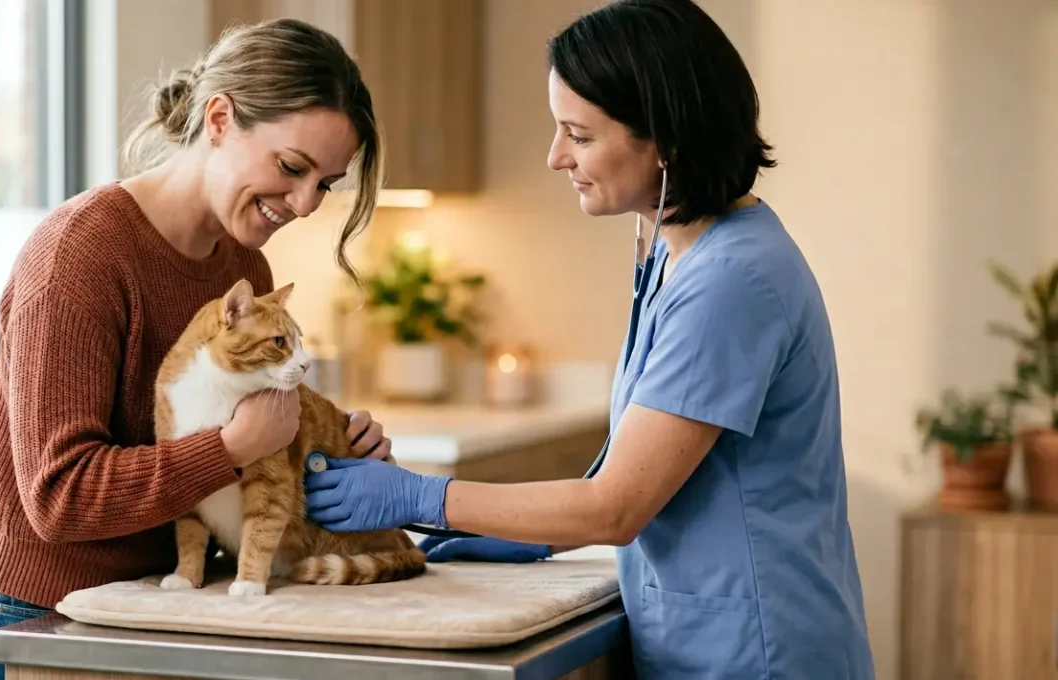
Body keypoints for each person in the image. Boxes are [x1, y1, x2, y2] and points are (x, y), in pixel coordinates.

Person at [302, 1, 876, 678]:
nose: (555, 157)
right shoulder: (674, 248)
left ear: (664, 138)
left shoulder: (732, 282)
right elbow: (633, 473)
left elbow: (617, 507)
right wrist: (525, 532)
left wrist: (419, 498)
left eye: (579, 133)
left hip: (757, 652)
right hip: (710, 638)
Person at [0, 18, 396, 680]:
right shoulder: (78, 258)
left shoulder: (244, 268)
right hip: (35, 622)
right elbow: (58, 498)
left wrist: (330, 446)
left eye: (324, 184)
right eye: (292, 168)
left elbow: (247, 451)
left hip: (161, 610)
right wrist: (231, 448)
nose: (304, 204)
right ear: (218, 120)